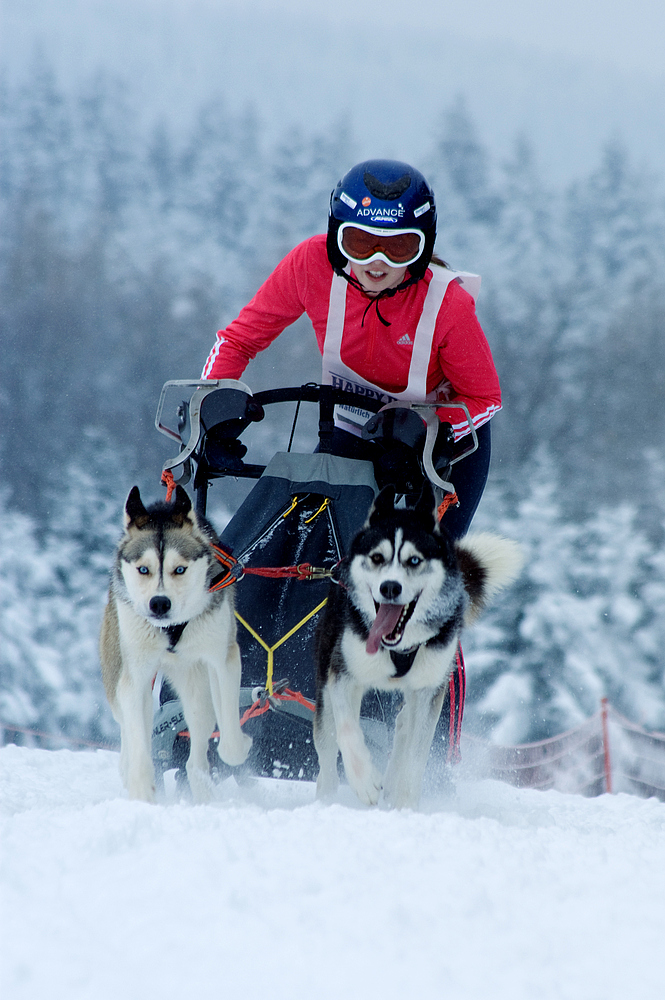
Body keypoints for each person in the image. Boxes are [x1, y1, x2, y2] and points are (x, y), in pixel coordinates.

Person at [201, 159, 501, 538]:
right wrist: (213, 409)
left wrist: (427, 435)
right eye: (359, 243)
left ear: (421, 248)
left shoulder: (449, 304)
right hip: (352, 423)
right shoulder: (311, 265)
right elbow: (238, 340)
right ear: (335, 236)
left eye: (398, 248)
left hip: (443, 444)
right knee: (296, 538)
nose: (377, 263)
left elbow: (485, 398)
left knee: (426, 565)